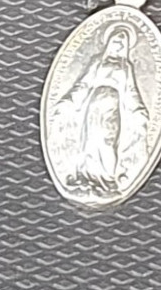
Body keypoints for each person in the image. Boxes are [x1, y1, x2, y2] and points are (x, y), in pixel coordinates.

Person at [57, 23, 150, 198]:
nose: (119, 45)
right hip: (93, 106)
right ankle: (86, 177)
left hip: (112, 107)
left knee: (107, 141)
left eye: (122, 42)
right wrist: (70, 99)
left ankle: (107, 179)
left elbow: (131, 90)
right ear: (110, 42)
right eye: (116, 41)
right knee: (90, 141)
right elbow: (84, 83)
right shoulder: (97, 62)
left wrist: (138, 109)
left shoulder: (126, 67)